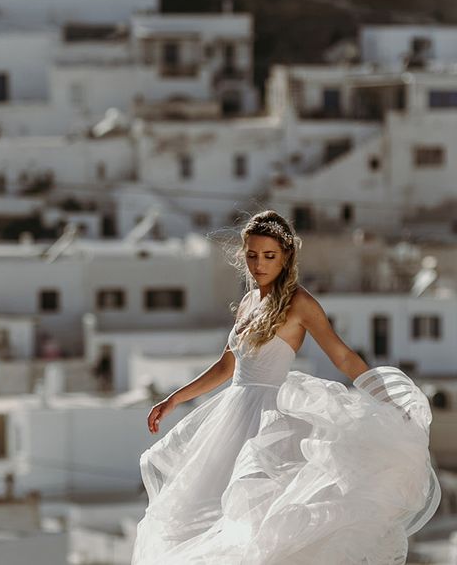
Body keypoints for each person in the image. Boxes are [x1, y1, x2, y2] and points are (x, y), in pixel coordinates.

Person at [131, 210, 441, 565]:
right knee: (206, 520)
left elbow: (341, 356)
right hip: (230, 418)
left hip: (268, 424)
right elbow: (227, 365)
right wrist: (174, 399)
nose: (258, 264)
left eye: (269, 256)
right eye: (251, 255)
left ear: (286, 257)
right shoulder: (248, 303)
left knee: (263, 526)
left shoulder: (300, 303)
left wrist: (386, 400)